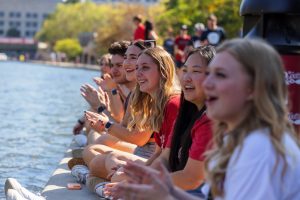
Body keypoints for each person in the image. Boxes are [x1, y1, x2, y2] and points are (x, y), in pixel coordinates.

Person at [106, 39, 300, 200]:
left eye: (220, 75)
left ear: (253, 87)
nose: (207, 83)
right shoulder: (239, 138)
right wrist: (167, 191)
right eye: (207, 74)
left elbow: (191, 178)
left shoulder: (259, 149)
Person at [105, 46, 215, 199]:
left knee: (108, 165)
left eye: (196, 71)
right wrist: (142, 176)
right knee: (105, 161)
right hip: (175, 186)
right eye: (185, 70)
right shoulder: (185, 112)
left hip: (189, 191)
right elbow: (164, 157)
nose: (186, 78)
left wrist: (141, 183)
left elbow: (191, 179)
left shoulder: (205, 119)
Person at [72, 47, 181, 197]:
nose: (127, 65)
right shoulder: (149, 97)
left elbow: (139, 139)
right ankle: (96, 181)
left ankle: (95, 181)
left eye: (144, 67)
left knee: (105, 156)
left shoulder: (172, 103)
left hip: (163, 171)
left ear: (163, 71)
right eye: (137, 67)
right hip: (154, 164)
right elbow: (158, 153)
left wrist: (104, 114)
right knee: (97, 154)